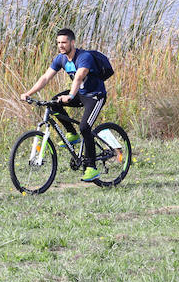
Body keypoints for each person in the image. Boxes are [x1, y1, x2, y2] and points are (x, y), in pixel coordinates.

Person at [19, 28, 113, 184]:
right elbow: (45, 78)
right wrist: (29, 93)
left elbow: (79, 77)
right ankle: (72, 134)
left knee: (85, 127)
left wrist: (70, 96)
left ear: (72, 42)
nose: (61, 46)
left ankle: (92, 168)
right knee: (54, 103)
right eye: (58, 43)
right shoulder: (61, 59)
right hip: (80, 94)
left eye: (64, 42)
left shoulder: (84, 57)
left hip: (95, 96)